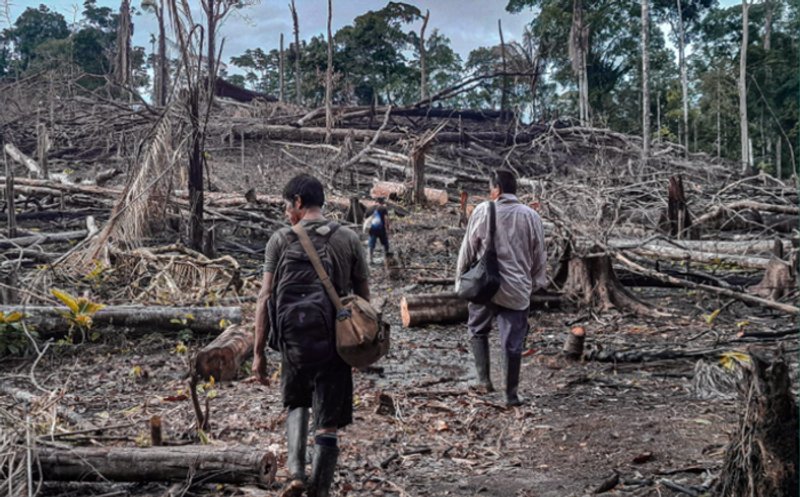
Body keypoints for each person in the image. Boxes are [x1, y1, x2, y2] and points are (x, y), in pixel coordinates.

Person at [253, 173, 370, 497]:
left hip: (292, 343)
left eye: (284, 206)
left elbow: (265, 298)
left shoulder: (280, 240)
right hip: (336, 343)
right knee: (327, 421)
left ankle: (296, 474)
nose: (284, 212)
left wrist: (259, 351)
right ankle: (319, 488)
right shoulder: (348, 238)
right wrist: (363, 344)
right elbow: (363, 299)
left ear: (299, 203)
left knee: (297, 404)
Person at [455, 170, 547, 407]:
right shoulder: (531, 216)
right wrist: (535, 283)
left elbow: (467, 248)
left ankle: (484, 381)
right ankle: (511, 395)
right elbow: (539, 255)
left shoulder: (484, 210)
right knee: (513, 342)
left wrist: (460, 281)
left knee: (477, 329)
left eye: (490, 188)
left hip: (484, 285)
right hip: (517, 288)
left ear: (496, 188)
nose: (489, 192)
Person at [363, 197, 390, 264]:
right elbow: (386, 219)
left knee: (371, 244)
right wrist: (388, 228)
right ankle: (386, 259)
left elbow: (365, 219)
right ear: (382, 202)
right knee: (385, 244)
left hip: (372, 230)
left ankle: (370, 259)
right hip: (381, 229)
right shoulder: (383, 208)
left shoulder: (369, 208)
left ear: (375, 202)